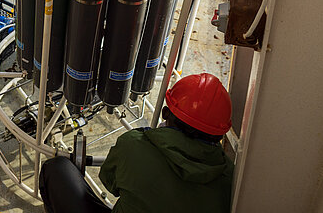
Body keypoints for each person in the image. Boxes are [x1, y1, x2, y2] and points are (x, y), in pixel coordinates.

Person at [39, 73, 234, 213]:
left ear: (166, 114)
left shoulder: (135, 145)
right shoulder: (232, 178)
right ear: (219, 136)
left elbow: (109, 182)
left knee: (57, 168)